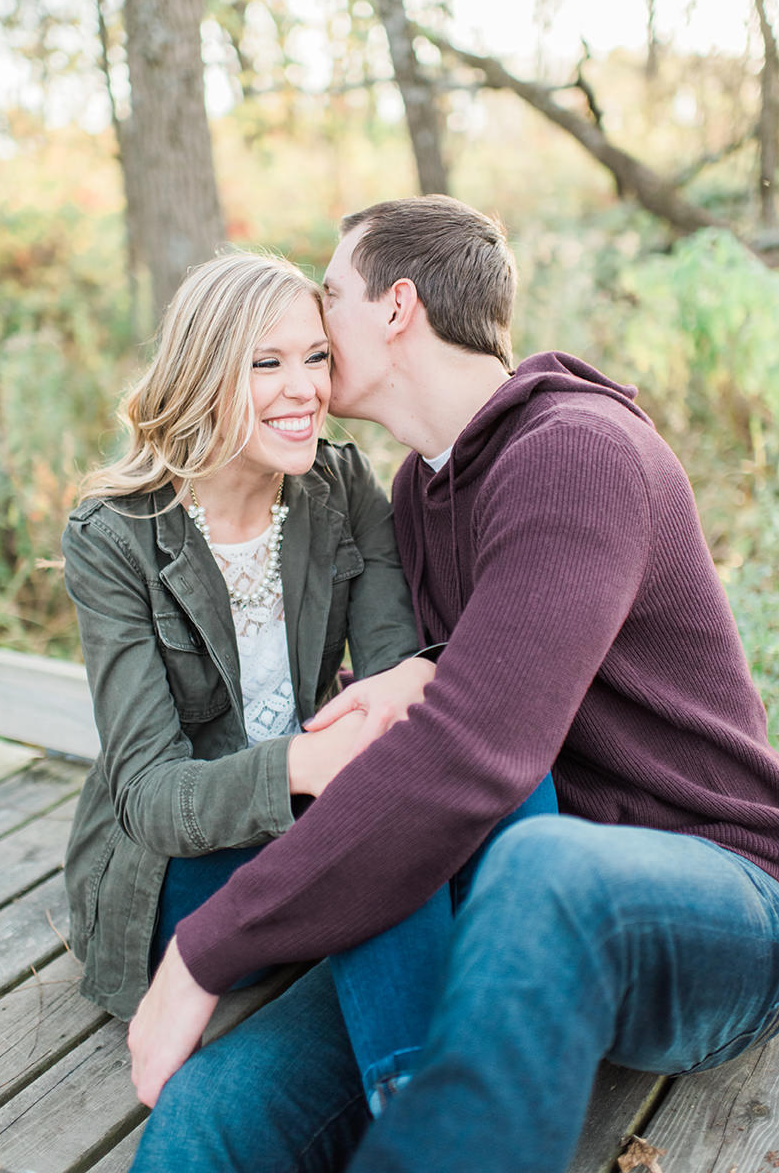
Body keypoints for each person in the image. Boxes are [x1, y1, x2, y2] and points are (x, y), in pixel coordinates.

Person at [128, 196, 779, 1173]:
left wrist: (204, 950)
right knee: (213, 1113)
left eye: (331, 292)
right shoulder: (421, 490)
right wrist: (413, 673)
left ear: (397, 307)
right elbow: (482, 685)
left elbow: (474, 753)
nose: (312, 314)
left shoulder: (575, 453)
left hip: (706, 905)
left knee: (546, 873)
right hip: (504, 913)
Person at [61, 248, 509, 1115]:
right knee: (377, 821)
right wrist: (306, 767)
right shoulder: (113, 538)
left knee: (407, 801)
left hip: (320, 826)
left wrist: (360, 746)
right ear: (204, 371)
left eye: (314, 357)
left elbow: (391, 682)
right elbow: (149, 796)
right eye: (266, 363)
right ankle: (421, 1103)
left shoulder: (338, 486)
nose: (303, 387)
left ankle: (412, 1107)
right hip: (174, 877)